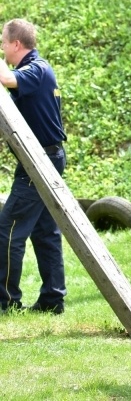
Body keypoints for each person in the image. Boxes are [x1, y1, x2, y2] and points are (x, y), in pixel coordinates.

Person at [0, 19, 68, 315]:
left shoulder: (36, 69)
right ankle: (52, 300)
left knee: (7, 230)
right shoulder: (36, 69)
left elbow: (7, 79)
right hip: (42, 158)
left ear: (16, 44)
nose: (2, 48)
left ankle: (6, 301)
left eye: (3, 42)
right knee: (45, 232)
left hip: (40, 161)